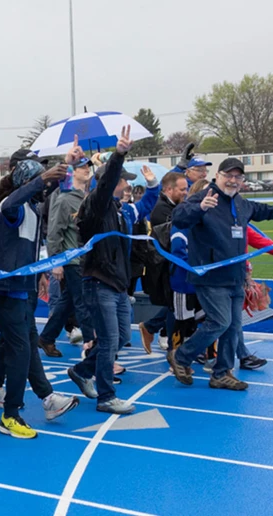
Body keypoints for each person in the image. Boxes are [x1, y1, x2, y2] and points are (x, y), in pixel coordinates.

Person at [0, 157, 79, 439]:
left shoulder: (34, 209)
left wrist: (36, 273)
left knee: (13, 347)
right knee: (21, 350)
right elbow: (4, 209)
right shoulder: (13, 206)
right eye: (41, 181)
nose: (46, 187)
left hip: (23, 288)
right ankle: (10, 414)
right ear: (28, 183)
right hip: (3, 291)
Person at [168, 158, 273, 390]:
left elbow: (260, 210)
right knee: (220, 322)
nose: (233, 180)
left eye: (238, 177)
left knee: (233, 327)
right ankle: (181, 356)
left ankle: (221, 373)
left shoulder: (240, 203)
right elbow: (180, 217)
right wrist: (200, 208)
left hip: (235, 277)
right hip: (210, 277)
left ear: (242, 181)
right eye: (228, 175)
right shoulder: (205, 197)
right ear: (218, 176)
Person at [67, 126, 155, 415]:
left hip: (117, 283)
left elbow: (146, 208)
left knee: (116, 339)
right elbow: (102, 188)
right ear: (109, 181)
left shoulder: (119, 210)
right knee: (108, 341)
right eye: (122, 180)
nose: (127, 185)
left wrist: (153, 187)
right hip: (99, 281)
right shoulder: (96, 205)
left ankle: (82, 370)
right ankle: (106, 396)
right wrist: (117, 155)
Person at [38, 156, 96, 357]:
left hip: (84, 258)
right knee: (83, 303)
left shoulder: (86, 195)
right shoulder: (63, 198)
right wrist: (56, 261)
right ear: (72, 172)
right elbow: (54, 232)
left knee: (68, 301)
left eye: (88, 166)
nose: (86, 169)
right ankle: (91, 345)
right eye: (81, 167)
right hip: (72, 259)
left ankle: (46, 337)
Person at [139, 172, 189, 353]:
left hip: (170, 264)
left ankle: (154, 329)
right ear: (169, 189)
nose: (186, 192)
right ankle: (172, 347)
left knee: (176, 306)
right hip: (165, 266)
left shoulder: (171, 205)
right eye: (182, 189)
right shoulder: (162, 210)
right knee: (175, 306)